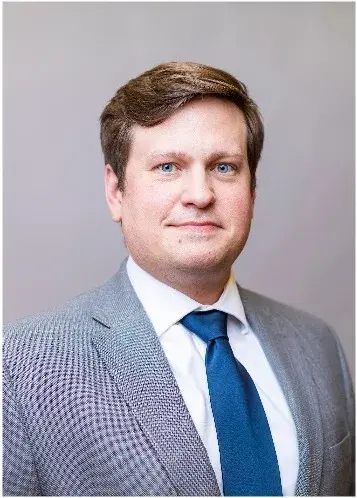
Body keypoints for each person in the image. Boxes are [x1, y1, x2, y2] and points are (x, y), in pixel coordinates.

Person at [3, 61, 354, 497]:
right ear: (116, 192)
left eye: (224, 167)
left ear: (252, 191)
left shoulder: (317, 344)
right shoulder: (21, 364)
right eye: (168, 166)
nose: (200, 195)